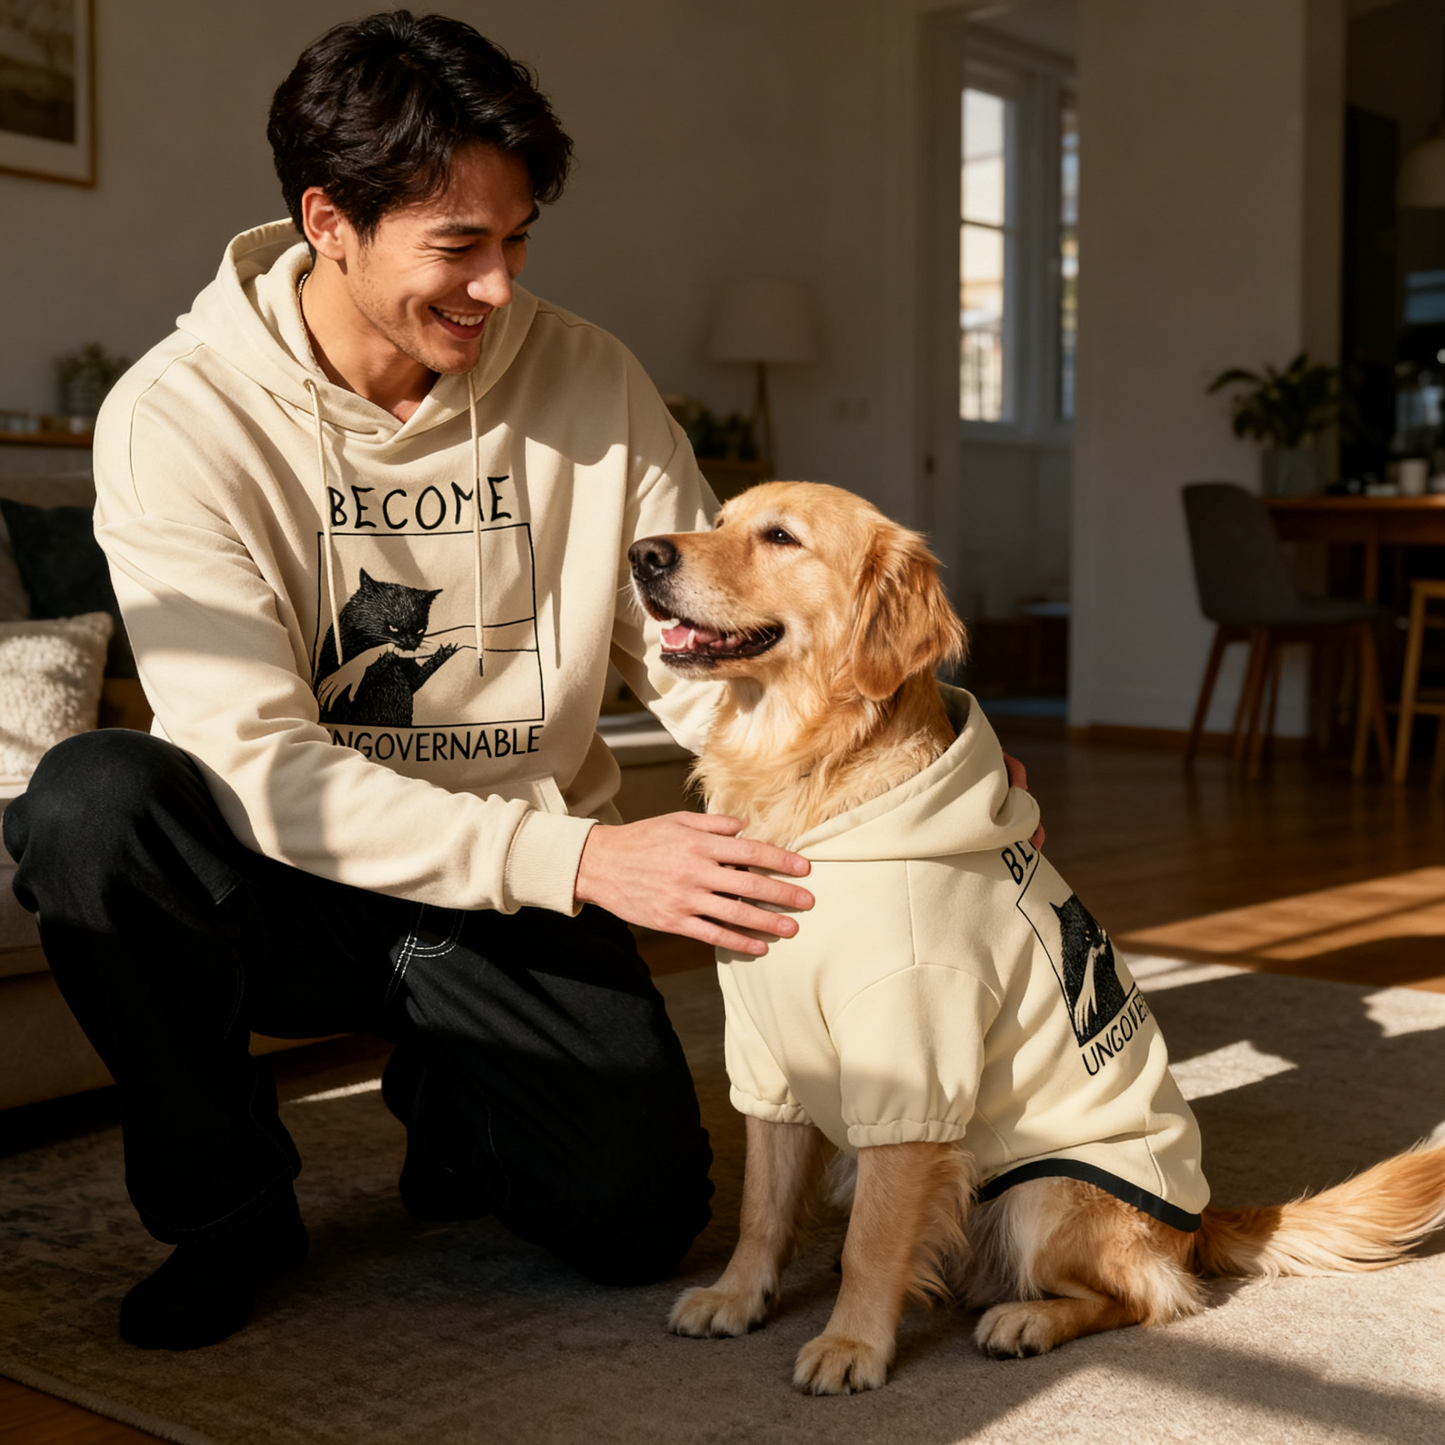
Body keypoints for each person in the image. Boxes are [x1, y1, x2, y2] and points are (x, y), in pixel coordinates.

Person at [2, 11, 815, 1352]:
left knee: (635, 1224)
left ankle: (459, 1103)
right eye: (458, 246)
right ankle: (230, 1213)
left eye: (518, 240)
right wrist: (592, 867)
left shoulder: (590, 379)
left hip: (500, 884)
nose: (499, 287)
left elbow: (696, 653)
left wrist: (896, 746)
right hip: (282, 885)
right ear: (329, 221)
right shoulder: (181, 413)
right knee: (90, 801)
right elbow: (254, 759)